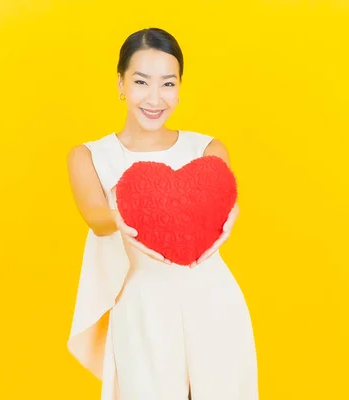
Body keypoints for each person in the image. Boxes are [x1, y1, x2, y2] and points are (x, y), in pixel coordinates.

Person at [66, 27, 259, 400]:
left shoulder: (207, 148)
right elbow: (94, 215)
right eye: (141, 81)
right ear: (120, 83)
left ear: (180, 88)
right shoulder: (89, 156)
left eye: (168, 84)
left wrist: (229, 213)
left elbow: (224, 203)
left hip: (214, 300)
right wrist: (121, 215)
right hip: (144, 308)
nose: (155, 98)